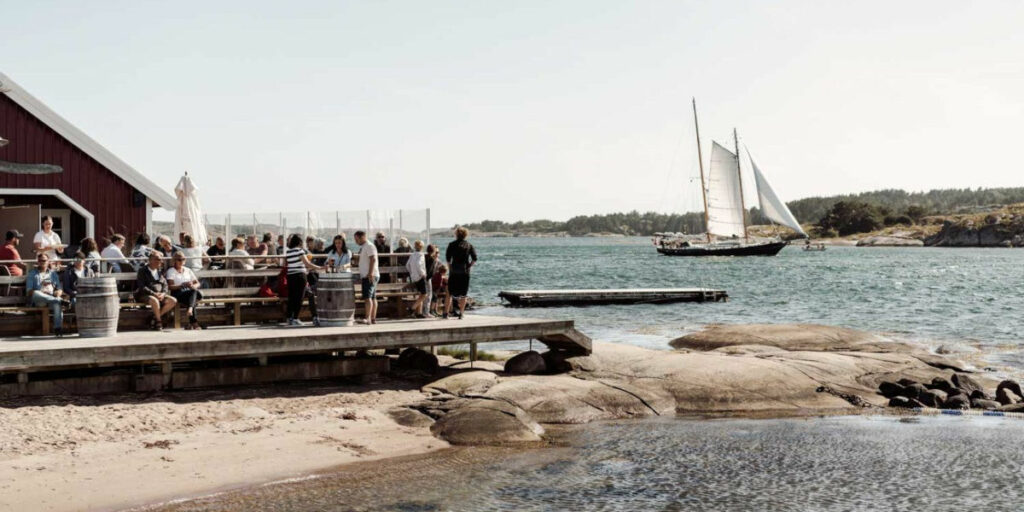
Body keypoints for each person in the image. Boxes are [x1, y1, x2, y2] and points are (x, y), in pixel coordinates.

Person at [283, 234, 324, 326]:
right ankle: (295, 318)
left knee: (292, 297)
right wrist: (320, 267)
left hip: (290, 276)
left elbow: (285, 264)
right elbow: (307, 264)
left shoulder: (288, 252)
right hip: (300, 276)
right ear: (300, 242)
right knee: (299, 297)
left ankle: (290, 317)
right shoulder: (300, 251)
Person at [25, 253, 64, 337]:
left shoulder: (53, 274)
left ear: (48, 262)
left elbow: (59, 288)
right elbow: (29, 291)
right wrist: (42, 293)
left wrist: (58, 293)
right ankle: (57, 300)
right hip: (39, 299)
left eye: (44, 260)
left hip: (51, 297)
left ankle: (58, 328)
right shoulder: (32, 273)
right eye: (40, 260)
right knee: (37, 293)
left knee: (57, 304)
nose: (42, 262)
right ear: (37, 262)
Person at [135, 252, 176, 330]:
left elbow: (165, 285)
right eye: (158, 259)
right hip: (145, 294)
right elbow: (142, 286)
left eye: (161, 260)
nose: (160, 261)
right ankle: (158, 321)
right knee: (154, 300)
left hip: (159, 294)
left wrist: (163, 293)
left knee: (173, 300)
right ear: (150, 260)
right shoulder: (142, 271)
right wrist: (154, 294)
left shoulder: (159, 271)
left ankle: (154, 317)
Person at [445, 226, 477, 319]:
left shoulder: (451, 244)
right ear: (465, 235)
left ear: (456, 234)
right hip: (464, 271)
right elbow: (474, 258)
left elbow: (448, 259)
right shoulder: (469, 245)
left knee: (450, 292)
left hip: (454, 271)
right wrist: (469, 266)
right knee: (464, 294)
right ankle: (461, 314)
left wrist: (450, 268)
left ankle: (445, 313)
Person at [166, 252, 203, 330]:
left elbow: (197, 283)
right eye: (179, 259)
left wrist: (192, 285)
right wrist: (182, 285)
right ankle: (194, 323)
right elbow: (170, 287)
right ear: (175, 261)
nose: (181, 261)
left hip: (189, 292)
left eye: (183, 259)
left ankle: (190, 310)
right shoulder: (171, 271)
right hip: (178, 293)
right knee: (193, 294)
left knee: (195, 292)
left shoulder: (188, 270)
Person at [354, 231, 380, 325]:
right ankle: (373, 318)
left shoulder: (369, 246)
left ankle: (368, 318)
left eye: (357, 239)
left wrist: (370, 273)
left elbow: (373, 259)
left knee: (367, 297)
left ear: (362, 237)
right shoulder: (365, 246)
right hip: (371, 274)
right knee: (373, 297)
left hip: (369, 275)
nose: (356, 242)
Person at [405, 240, 428, 318]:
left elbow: (407, 265)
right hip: (420, 277)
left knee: (420, 294)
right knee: (424, 294)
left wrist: (412, 273)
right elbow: (419, 265)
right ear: (422, 247)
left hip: (414, 277)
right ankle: (412, 308)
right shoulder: (421, 255)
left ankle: (419, 313)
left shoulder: (413, 255)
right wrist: (423, 274)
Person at [423, 244, 440, 317]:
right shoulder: (432, 259)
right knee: (429, 295)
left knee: (424, 294)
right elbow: (431, 271)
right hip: (427, 278)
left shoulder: (424, 257)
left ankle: (424, 311)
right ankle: (426, 312)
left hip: (422, 277)